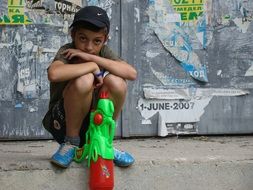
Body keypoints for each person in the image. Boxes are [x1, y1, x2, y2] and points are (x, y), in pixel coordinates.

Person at [42, 6, 137, 168]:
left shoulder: (103, 52)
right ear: (73, 35)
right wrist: (91, 66)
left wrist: (93, 60)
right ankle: (70, 144)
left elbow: (131, 73)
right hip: (63, 122)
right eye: (83, 38)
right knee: (84, 79)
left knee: (117, 82)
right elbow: (54, 74)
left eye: (97, 41)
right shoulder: (68, 51)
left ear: (104, 40)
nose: (89, 47)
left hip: (94, 125)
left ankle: (105, 141)